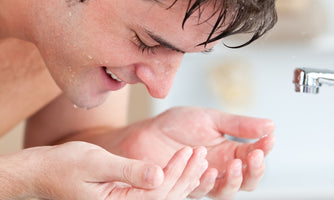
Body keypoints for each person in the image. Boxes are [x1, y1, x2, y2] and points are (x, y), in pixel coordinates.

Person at [0, 0, 277, 199]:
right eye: (148, 43)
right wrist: (27, 178)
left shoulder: (68, 41)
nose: (160, 90)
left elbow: (60, 145)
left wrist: (125, 147)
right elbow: (40, 169)